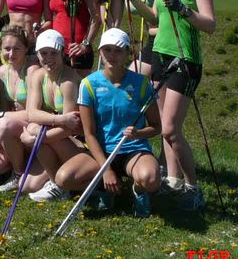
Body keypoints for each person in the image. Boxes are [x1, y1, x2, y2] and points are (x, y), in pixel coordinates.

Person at [122, 0, 215, 210]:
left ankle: (193, 188)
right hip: (160, 56)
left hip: (186, 60)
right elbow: (154, 18)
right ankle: (173, 181)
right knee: (163, 127)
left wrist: (184, 9)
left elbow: (210, 24)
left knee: (171, 129)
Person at [55, 28, 161, 217]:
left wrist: (138, 133)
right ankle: (102, 189)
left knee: (150, 179)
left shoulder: (142, 84)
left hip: (133, 150)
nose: (112, 55)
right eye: (107, 50)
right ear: (100, 52)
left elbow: (156, 126)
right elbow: (89, 134)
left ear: (127, 52)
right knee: (63, 179)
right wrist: (106, 171)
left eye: (118, 50)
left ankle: (138, 190)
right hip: (101, 151)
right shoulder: (89, 84)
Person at [24, 29, 84, 201]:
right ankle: (54, 180)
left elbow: (71, 127)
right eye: (44, 53)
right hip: (59, 133)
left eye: (53, 53)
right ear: (37, 54)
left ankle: (60, 186)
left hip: (78, 140)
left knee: (34, 133)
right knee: (26, 185)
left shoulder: (68, 81)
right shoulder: (38, 75)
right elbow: (31, 113)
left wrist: (39, 137)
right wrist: (59, 119)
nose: (48, 58)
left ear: (62, 53)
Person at [0, 25, 40, 186]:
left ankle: (18, 173)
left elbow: (32, 113)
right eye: (7, 49)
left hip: (34, 125)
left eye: (17, 49)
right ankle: (20, 158)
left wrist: (1, 118)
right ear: (0, 48)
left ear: (26, 49)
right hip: (15, 125)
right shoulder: (1, 72)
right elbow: (5, 106)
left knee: (3, 124)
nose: (11, 54)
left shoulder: (32, 70)